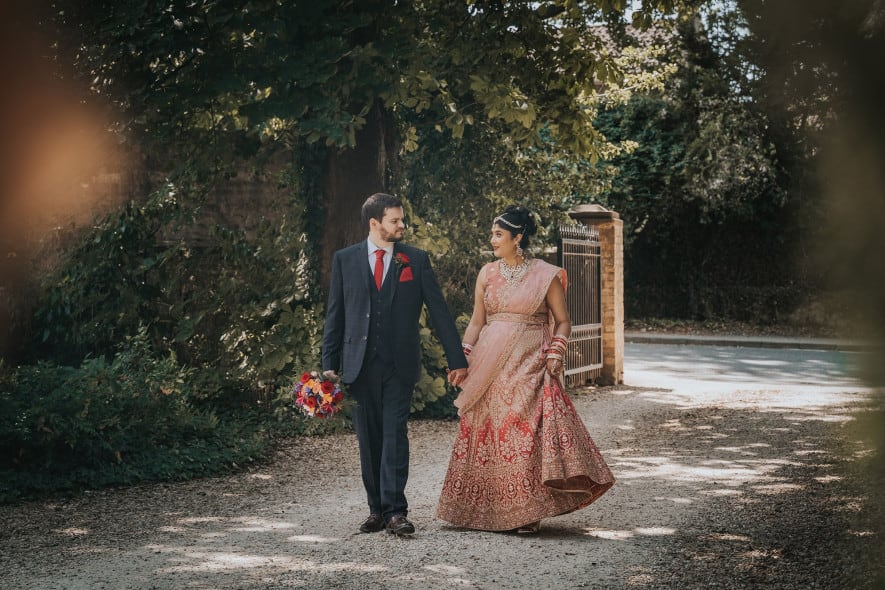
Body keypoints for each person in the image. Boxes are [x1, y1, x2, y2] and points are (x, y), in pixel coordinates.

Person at [436, 205, 615, 533]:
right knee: (490, 433)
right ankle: (482, 510)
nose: (493, 240)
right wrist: (462, 358)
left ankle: (526, 513)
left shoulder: (545, 275)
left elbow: (563, 321)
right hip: (489, 366)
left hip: (530, 363)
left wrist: (556, 351)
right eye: (492, 234)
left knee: (522, 435)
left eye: (499, 234)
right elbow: (477, 321)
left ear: (517, 237)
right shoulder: (487, 273)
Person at [322, 193, 468, 536]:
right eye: (395, 220)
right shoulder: (345, 259)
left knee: (394, 434)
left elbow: (439, 310)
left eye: (402, 219)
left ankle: (396, 512)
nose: (402, 225)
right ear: (375, 223)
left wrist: (456, 359)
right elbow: (335, 315)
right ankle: (376, 509)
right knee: (368, 439)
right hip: (358, 365)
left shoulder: (415, 260)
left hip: (399, 364)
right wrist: (329, 365)